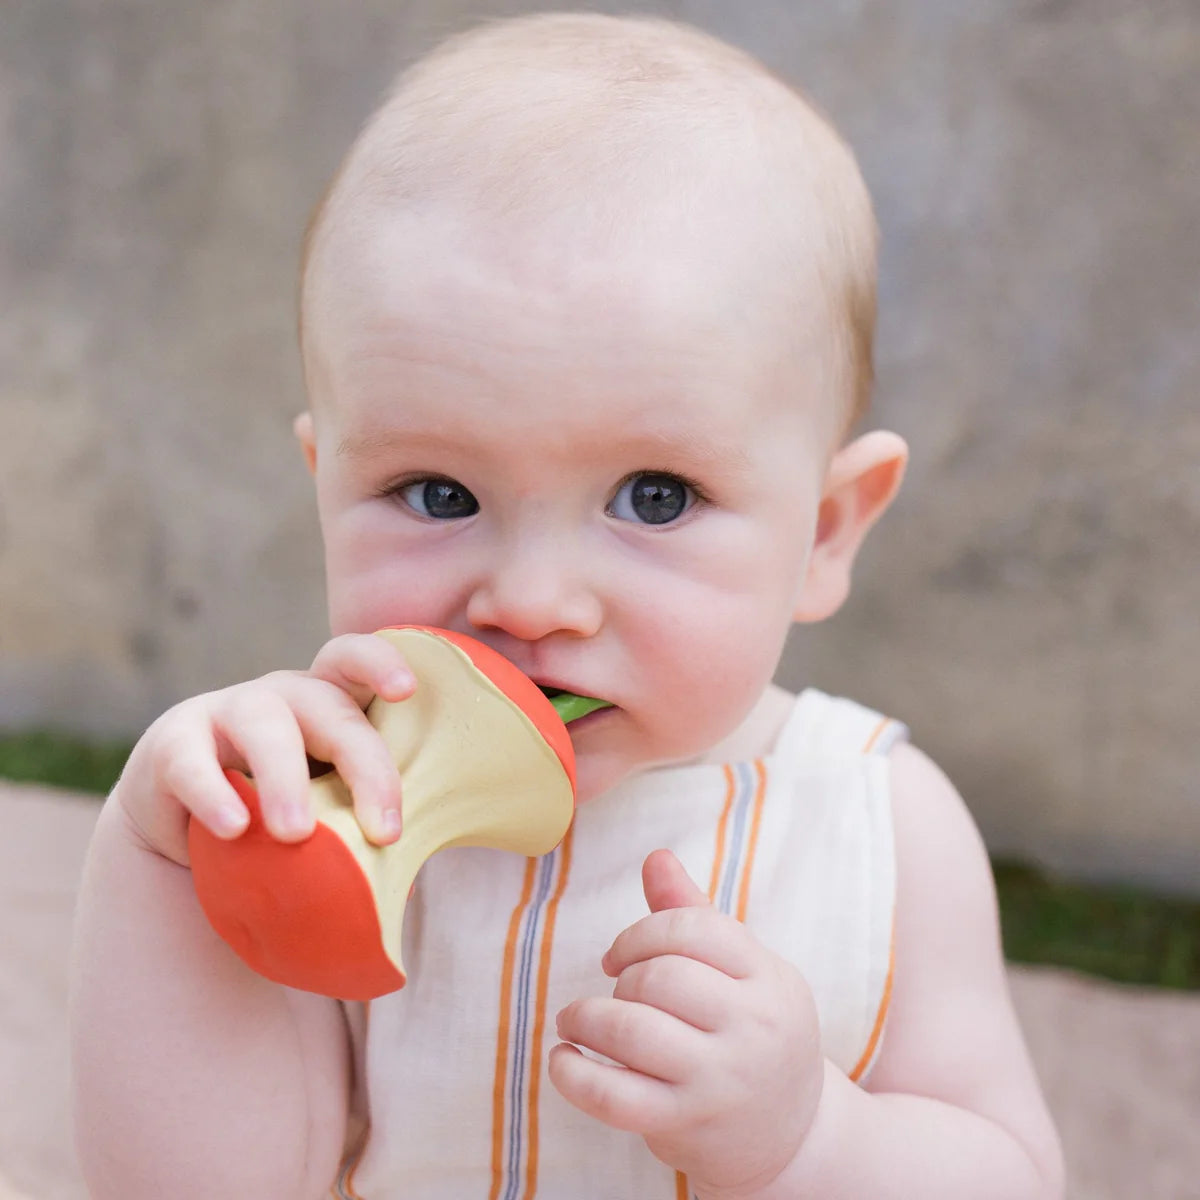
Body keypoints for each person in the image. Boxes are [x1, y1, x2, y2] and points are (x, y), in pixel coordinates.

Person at [70, 13, 1064, 1199]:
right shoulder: (326, 805)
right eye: (435, 492)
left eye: (655, 496)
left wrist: (812, 1141)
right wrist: (166, 864)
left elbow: (1009, 1174)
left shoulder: (877, 822)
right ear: (325, 486)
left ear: (826, 531)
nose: (532, 602)